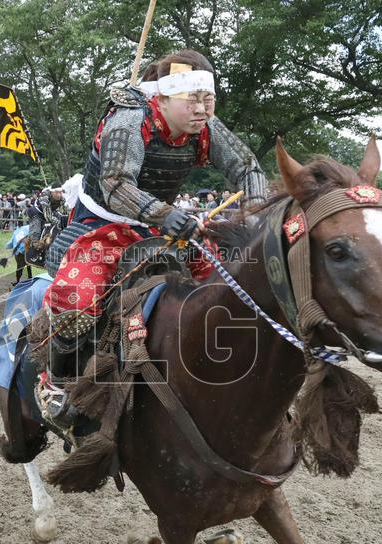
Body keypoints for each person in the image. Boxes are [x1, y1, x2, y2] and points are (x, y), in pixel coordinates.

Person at [37, 49, 267, 424]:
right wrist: (165, 214)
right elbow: (114, 186)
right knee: (76, 297)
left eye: (208, 99)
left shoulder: (206, 126)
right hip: (101, 226)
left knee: (233, 281)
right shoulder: (129, 120)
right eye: (192, 99)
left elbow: (247, 167)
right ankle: (56, 383)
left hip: (165, 227)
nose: (202, 109)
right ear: (161, 97)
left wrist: (257, 212)